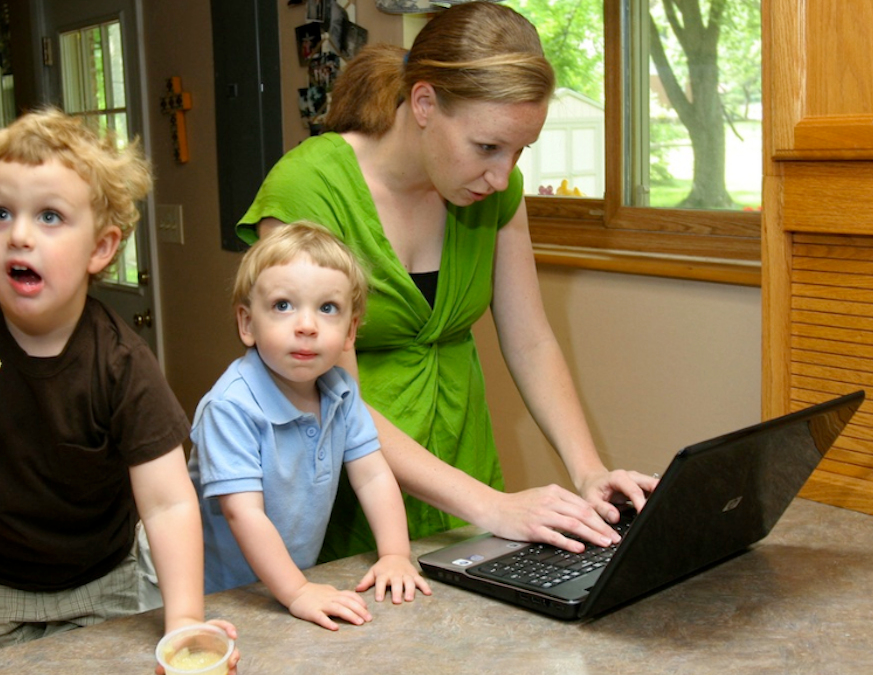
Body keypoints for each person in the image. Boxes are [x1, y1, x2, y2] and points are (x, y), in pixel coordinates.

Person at [236, 3, 659, 563]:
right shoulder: (308, 190)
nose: (504, 176)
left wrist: (589, 471)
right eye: (487, 147)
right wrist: (491, 506)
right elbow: (336, 396)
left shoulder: (494, 190)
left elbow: (530, 340)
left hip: (467, 473)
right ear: (425, 103)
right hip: (351, 492)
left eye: (520, 151)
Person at [0, 109, 238, 667]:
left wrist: (183, 619)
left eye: (50, 217)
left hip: (103, 580)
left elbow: (166, 502)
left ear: (101, 248)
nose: (18, 235)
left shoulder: (122, 363)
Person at [189, 221, 431, 631]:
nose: (306, 325)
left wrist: (394, 554)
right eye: (283, 305)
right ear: (247, 323)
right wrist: (297, 591)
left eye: (328, 308)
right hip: (215, 594)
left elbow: (373, 477)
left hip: (283, 587)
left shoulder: (341, 392)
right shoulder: (230, 408)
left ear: (350, 331)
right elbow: (243, 514)